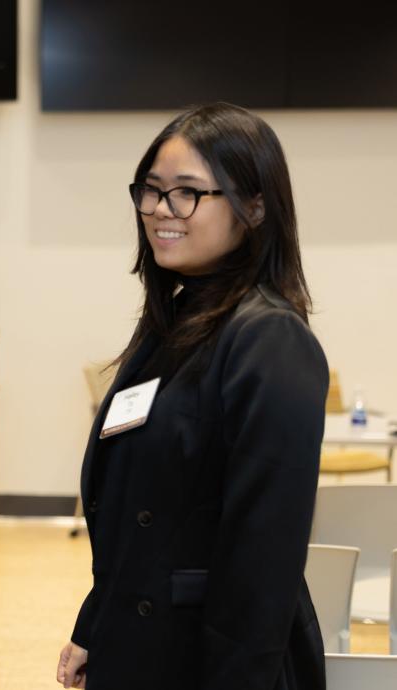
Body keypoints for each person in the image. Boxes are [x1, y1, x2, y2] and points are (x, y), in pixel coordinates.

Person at [57, 103, 328, 690]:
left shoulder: (270, 339)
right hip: (144, 644)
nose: (159, 211)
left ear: (254, 207)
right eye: (151, 191)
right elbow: (144, 515)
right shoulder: (177, 320)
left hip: (218, 664)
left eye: (187, 193)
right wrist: (96, 622)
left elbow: (264, 559)